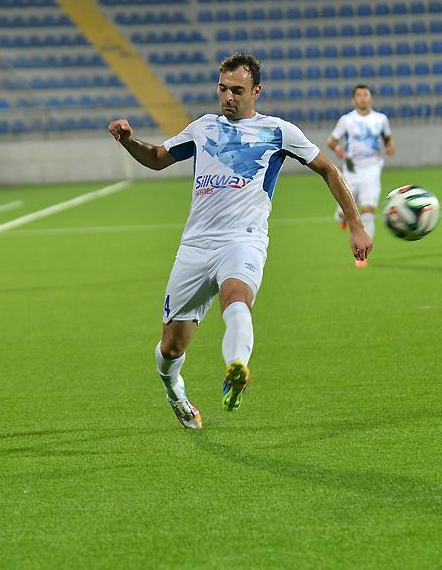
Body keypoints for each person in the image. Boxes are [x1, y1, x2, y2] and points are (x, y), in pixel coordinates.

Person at [107, 52, 372, 430]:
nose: (228, 97)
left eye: (237, 90)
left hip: (244, 239)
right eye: (222, 89)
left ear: (256, 91)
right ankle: (174, 390)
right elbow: (158, 158)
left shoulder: (279, 131)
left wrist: (356, 225)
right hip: (196, 245)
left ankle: (236, 367)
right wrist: (128, 141)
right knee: (171, 347)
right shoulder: (203, 128)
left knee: (236, 296)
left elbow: (328, 169)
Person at [327, 84, 393, 266]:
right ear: (353, 99)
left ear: (370, 98)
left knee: (368, 210)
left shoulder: (381, 119)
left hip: (372, 169)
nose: (363, 98)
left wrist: (389, 145)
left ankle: (362, 256)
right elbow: (331, 141)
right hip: (351, 171)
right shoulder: (347, 120)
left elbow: (387, 137)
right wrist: (338, 149)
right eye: (359, 95)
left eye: (365, 95)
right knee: (343, 212)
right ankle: (341, 217)